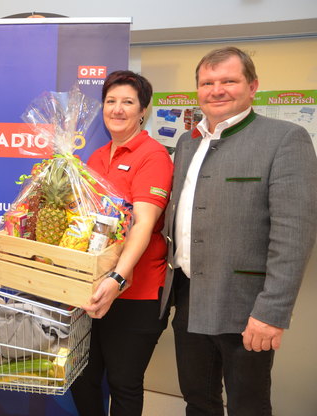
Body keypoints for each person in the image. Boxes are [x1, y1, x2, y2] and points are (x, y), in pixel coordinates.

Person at [160, 46, 317, 415]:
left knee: (248, 405)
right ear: (197, 90)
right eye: (207, 82)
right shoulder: (187, 142)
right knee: (198, 399)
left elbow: (293, 234)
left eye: (229, 81)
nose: (217, 90)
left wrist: (272, 312)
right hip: (188, 296)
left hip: (245, 305)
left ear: (253, 86)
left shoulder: (285, 139)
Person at [71, 70, 174, 415]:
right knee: (82, 376)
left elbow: (143, 223)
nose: (117, 109)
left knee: (123, 383)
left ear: (143, 109)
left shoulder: (153, 155)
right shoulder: (97, 157)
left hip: (136, 292)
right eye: (111, 101)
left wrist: (117, 278)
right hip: (92, 286)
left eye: (128, 102)